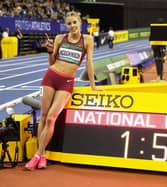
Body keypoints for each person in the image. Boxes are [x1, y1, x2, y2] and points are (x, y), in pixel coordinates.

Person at [25, 11, 101, 170]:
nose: (72, 26)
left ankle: (37, 155)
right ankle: (43, 154)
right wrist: (49, 51)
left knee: (51, 118)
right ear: (66, 25)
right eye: (69, 23)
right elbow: (52, 61)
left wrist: (93, 84)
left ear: (80, 22)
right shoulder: (60, 38)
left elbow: (89, 63)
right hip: (49, 78)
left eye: (75, 22)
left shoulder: (87, 40)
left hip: (67, 82)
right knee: (44, 116)